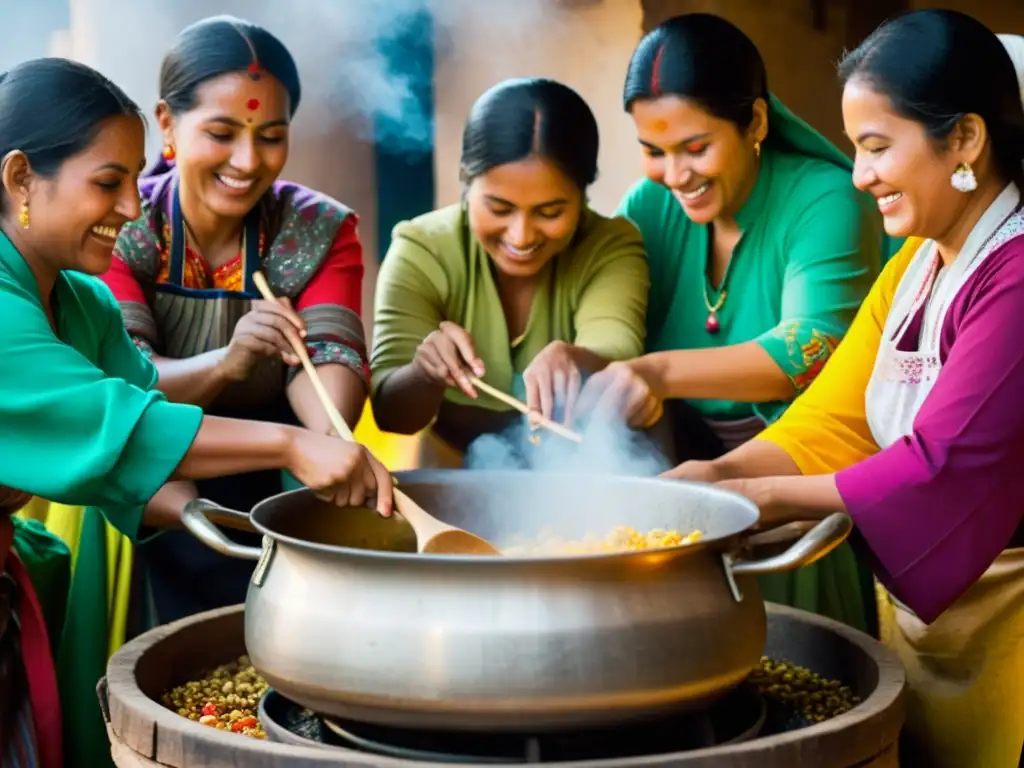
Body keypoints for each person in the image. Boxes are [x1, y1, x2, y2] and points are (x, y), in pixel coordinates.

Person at [0, 57, 392, 768]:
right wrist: (292, 446)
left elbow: (143, 416)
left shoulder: (81, 298)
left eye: (132, 181)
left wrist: (221, 522)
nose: (129, 207)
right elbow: (123, 426)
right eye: (108, 184)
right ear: (22, 177)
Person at [668, 13, 1024, 767]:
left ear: (964, 140)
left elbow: (940, 466)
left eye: (876, 147)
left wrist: (767, 501)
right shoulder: (915, 264)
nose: (859, 176)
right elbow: (834, 417)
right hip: (931, 630)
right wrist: (722, 477)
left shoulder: (1016, 278)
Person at [580, 13, 893, 634]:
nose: (676, 176)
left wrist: (659, 372)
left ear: (755, 121)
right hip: (676, 504)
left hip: (791, 502)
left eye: (696, 148)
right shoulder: (650, 209)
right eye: (652, 152)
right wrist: (575, 354)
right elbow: (599, 310)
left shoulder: (827, 198)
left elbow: (808, 349)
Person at [91, 16, 372, 630]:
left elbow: (329, 394)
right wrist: (229, 362)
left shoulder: (318, 229)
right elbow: (128, 389)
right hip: (145, 490)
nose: (248, 161)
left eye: (271, 136)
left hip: (283, 491)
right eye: (222, 133)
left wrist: (334, 444)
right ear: (166, 123)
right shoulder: (120, 224)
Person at [370, 77, 650, 468]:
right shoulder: (421, 250)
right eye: (499, 209)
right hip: (449, 477)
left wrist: (577, 357)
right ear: (466, 183)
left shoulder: (609, 246)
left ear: (583, 195)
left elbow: (620, 357)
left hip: (578, 472)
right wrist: (423, 372)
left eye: (550, 212)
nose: (521, 236)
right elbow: (391, 415)